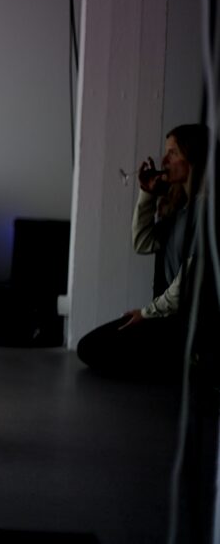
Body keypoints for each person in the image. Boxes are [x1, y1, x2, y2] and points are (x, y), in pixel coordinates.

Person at [76, 123, 210, 379]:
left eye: (173, 153)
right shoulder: (182, 210)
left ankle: (191, 360)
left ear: (193, 157)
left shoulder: (206, 211)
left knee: (94, 349)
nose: (164, 160)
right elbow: (143, 242)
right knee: (90, 346)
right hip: (169, 318)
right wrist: (147, 195)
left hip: (188, 323)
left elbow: (190, 281)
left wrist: (147, 314)